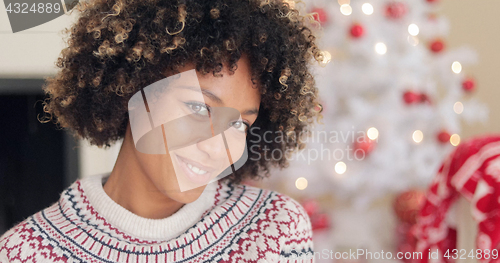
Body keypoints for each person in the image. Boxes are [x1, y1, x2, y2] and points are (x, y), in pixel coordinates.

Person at [0, 0, 325, 261]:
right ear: (134, 90)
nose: (217, 148)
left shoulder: (273, 229)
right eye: (199, 108)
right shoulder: (24, 252)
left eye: (239, 123)